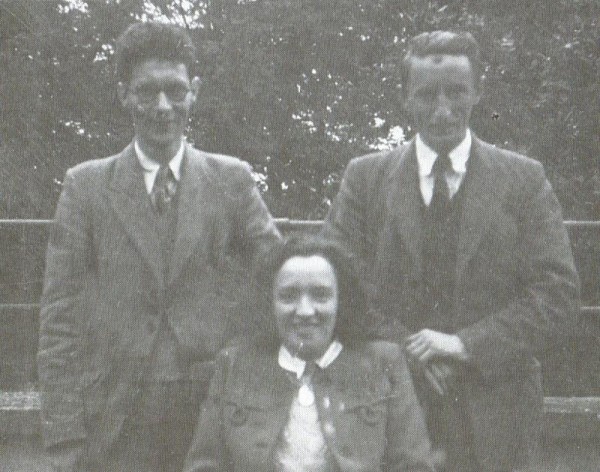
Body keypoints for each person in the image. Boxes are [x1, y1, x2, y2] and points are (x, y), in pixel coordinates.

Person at [322, 31, 580, 471]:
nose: (442, 108)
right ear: (406, 98)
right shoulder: (365, 180)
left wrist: (463, 345)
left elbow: (557, 297)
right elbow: (334, 286)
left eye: (457, 91)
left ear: (479, 92)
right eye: (426, 94)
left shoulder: (523, 180)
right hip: (388, 408)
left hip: (499, 417)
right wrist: (411, 351)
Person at [37, 22, 280, 472]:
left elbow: (282, 283)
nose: (163, 106)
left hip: (214, 418)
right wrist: (64, 439)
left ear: (195, 92)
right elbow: (59, 322)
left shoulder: (232, 180)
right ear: (124, 95)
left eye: (176, 90)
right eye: (146, 92)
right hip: (115, 421)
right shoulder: (85, 188)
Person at [183, 234, 434, 471]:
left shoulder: (383, 362)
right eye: (288, 296)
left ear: (341, 300)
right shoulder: (235, 364)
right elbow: (205, 466)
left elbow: (413, 466)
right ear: (269, 302)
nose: (305, 311)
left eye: (321, 296)